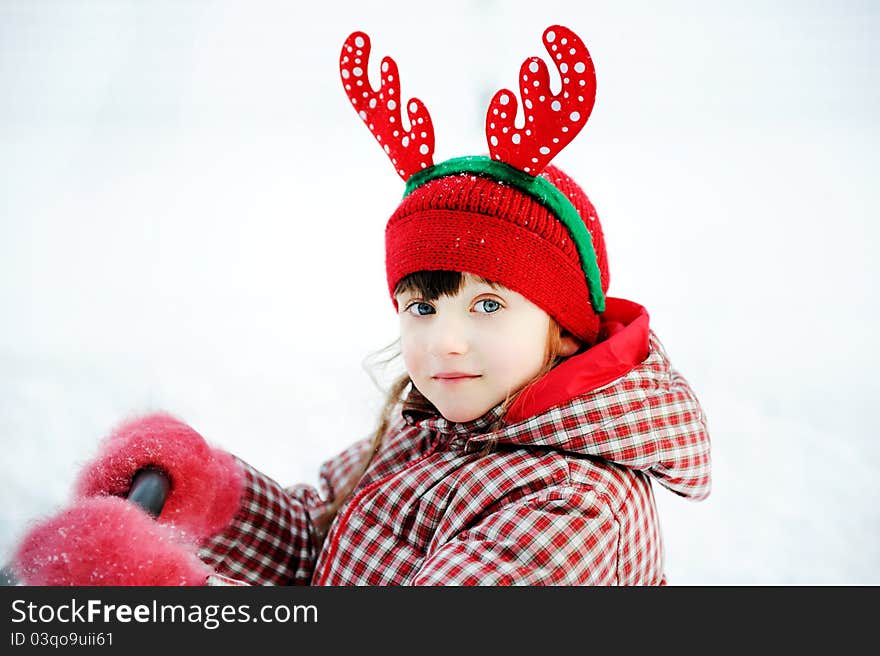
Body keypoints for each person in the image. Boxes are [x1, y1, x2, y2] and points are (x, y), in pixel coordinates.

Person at [11, 24, 710, 586]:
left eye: (489, 306)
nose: (446, 342)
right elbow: (319, 541)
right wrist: (208, 495)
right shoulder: (438, 423)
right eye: (422, 308)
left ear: (564, 329)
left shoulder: (570, 505)